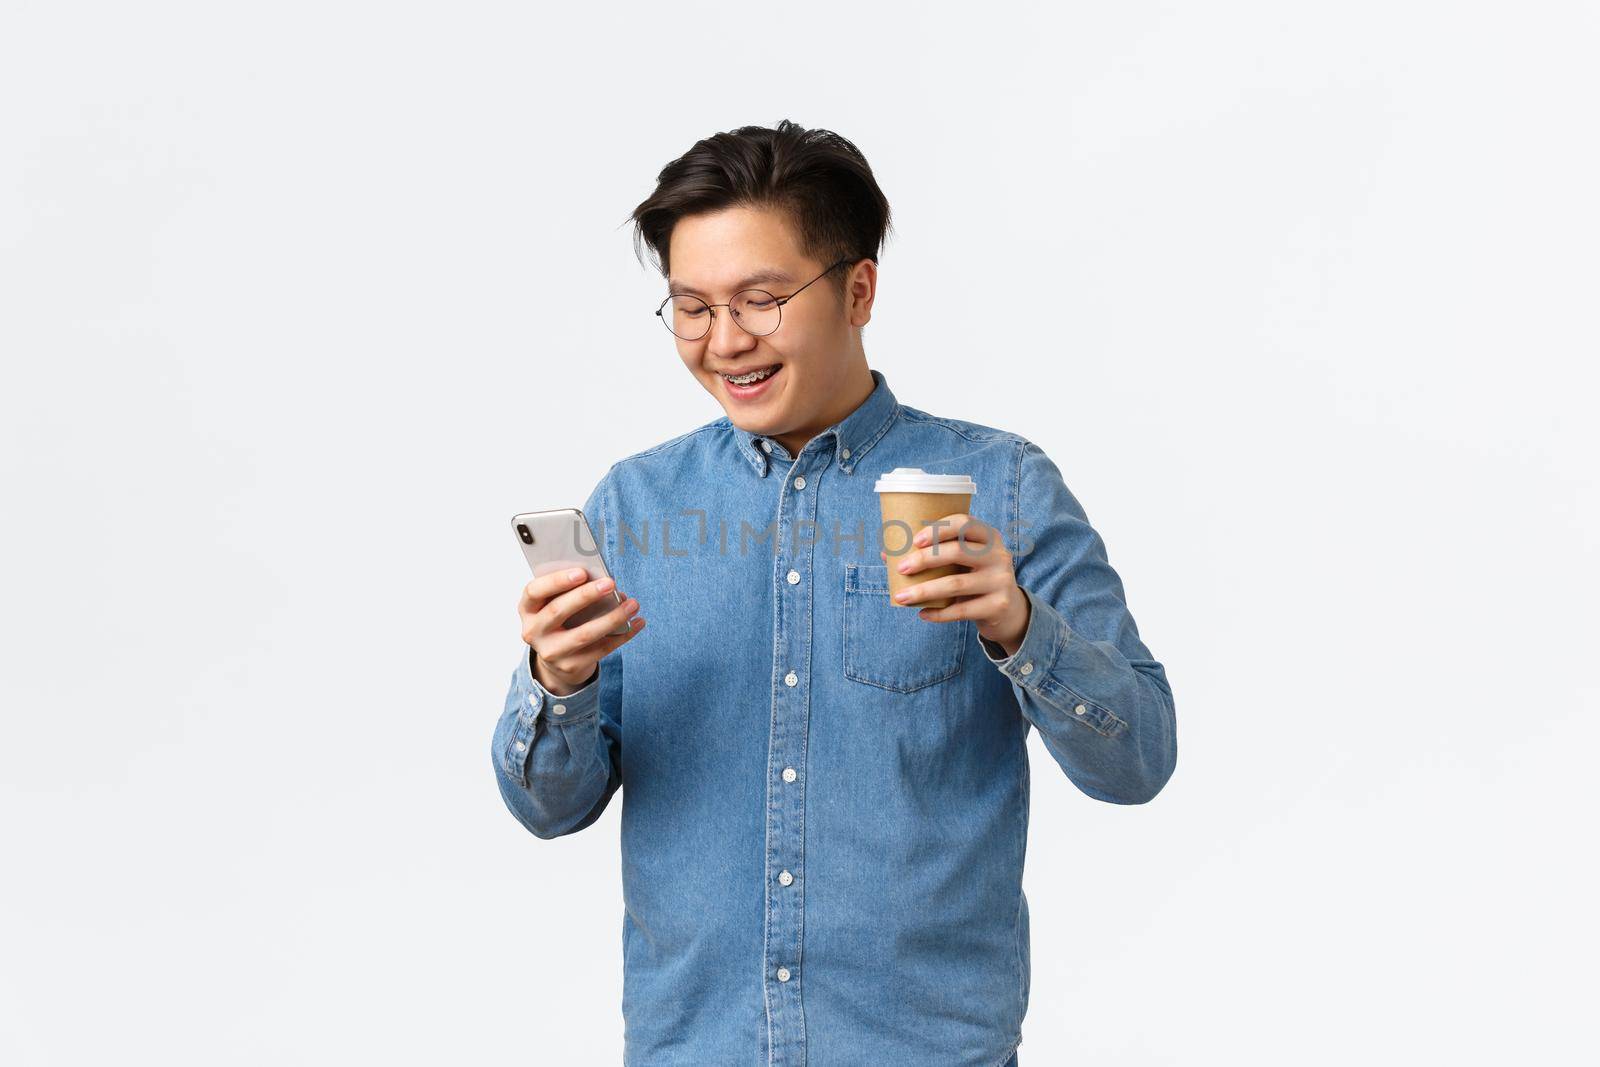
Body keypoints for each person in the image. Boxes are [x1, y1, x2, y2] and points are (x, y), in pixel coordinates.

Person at [491, 120, 1177, 1066]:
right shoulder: (637, 506)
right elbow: (546, 806)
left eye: (761, 300)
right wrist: (555, 676)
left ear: (859, 290)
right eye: (691, 307)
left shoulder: (1003, 486)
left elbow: (1140, 758)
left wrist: (1019, 626)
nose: (725, 341)